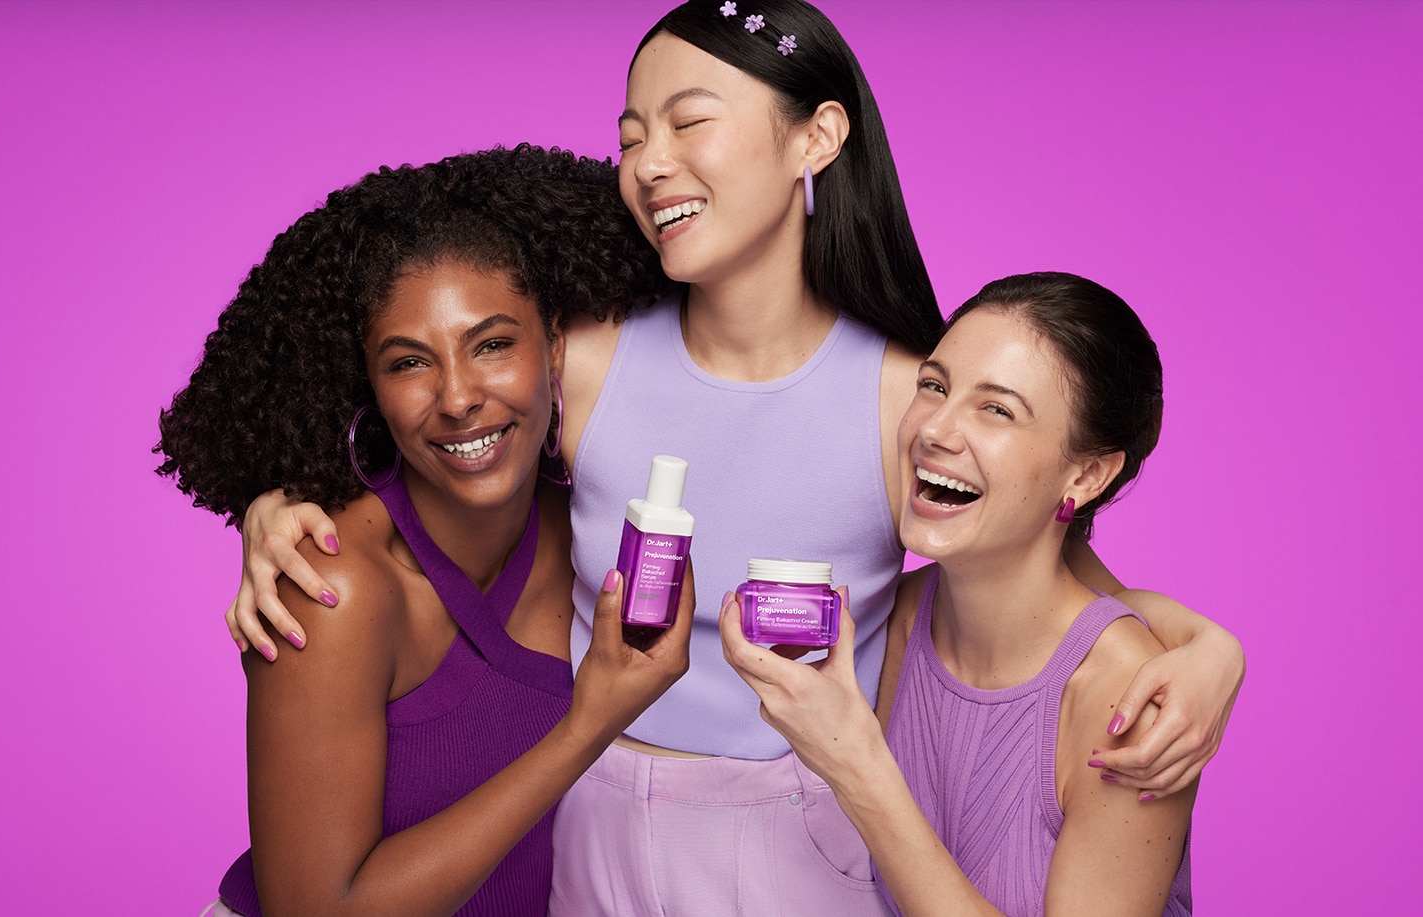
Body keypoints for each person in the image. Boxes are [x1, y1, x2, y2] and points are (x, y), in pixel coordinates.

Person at [229, 2, 1243, 912]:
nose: (649, 161)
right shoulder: (582, 361)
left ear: (816, 135)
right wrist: (270, 500)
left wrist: (1208, 652)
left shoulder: (906, 397)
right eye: (630, 137)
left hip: (803, 831)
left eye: (688, 120)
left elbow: (1043, 575)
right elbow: (428, 424)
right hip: (586, 817)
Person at [156, 146, 691, 917]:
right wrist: (587, 725)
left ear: (555, 349)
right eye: (410, 362)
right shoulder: (330, 587)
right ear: (369, 386)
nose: (457, 398)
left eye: (493, 344)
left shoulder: (595, 523)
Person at [723, 272, 1196, 916]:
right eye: (934, 386)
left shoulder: (1128, 705)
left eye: (996, 409)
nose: (936, 429)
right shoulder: (891, 619)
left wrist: (858, 766)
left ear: (1085, 474)